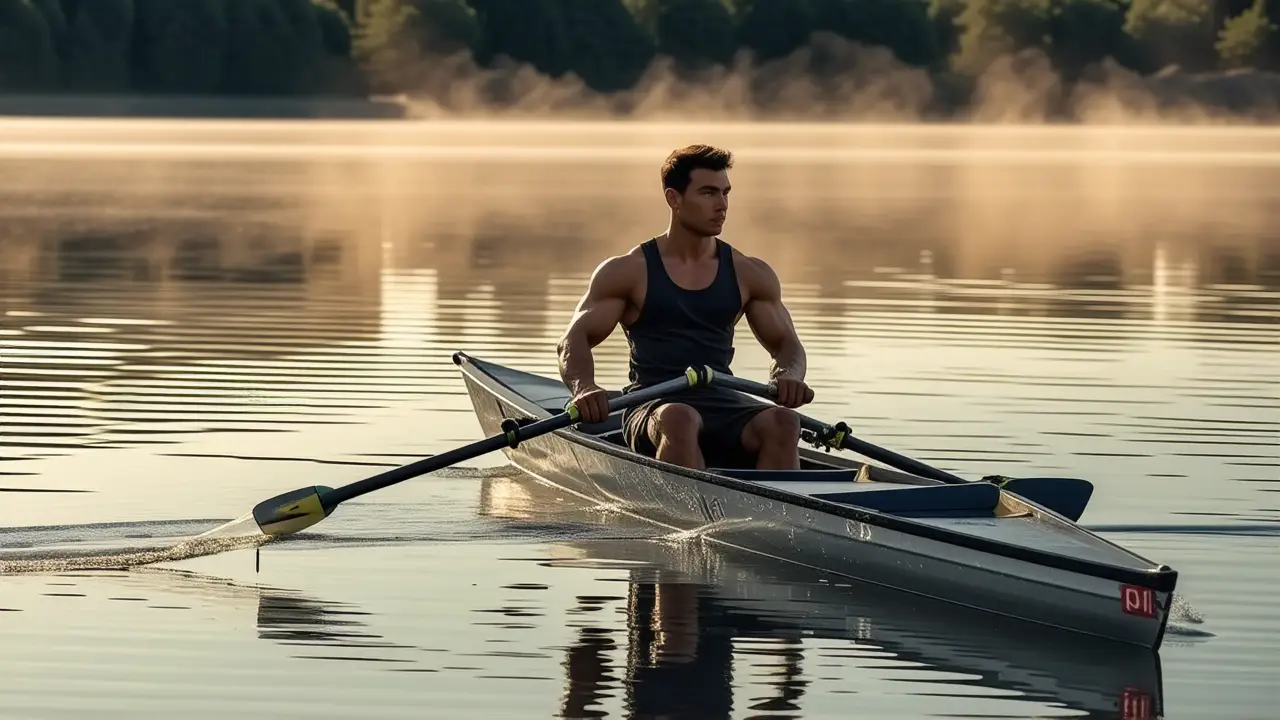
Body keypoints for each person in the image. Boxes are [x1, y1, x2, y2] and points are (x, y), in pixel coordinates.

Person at [555, 144, 813, 471]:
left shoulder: (750, 273)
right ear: (673, 198)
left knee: (785, 422)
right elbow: (573, 340)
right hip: (653, 404)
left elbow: (787, 344)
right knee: (680, 418)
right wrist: (584, 388)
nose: (722, 205)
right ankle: (689, 500)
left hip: (723, 401)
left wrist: (788, 375)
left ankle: (775, 503)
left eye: (725, 193)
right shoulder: (628, 271)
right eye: (708, 193)